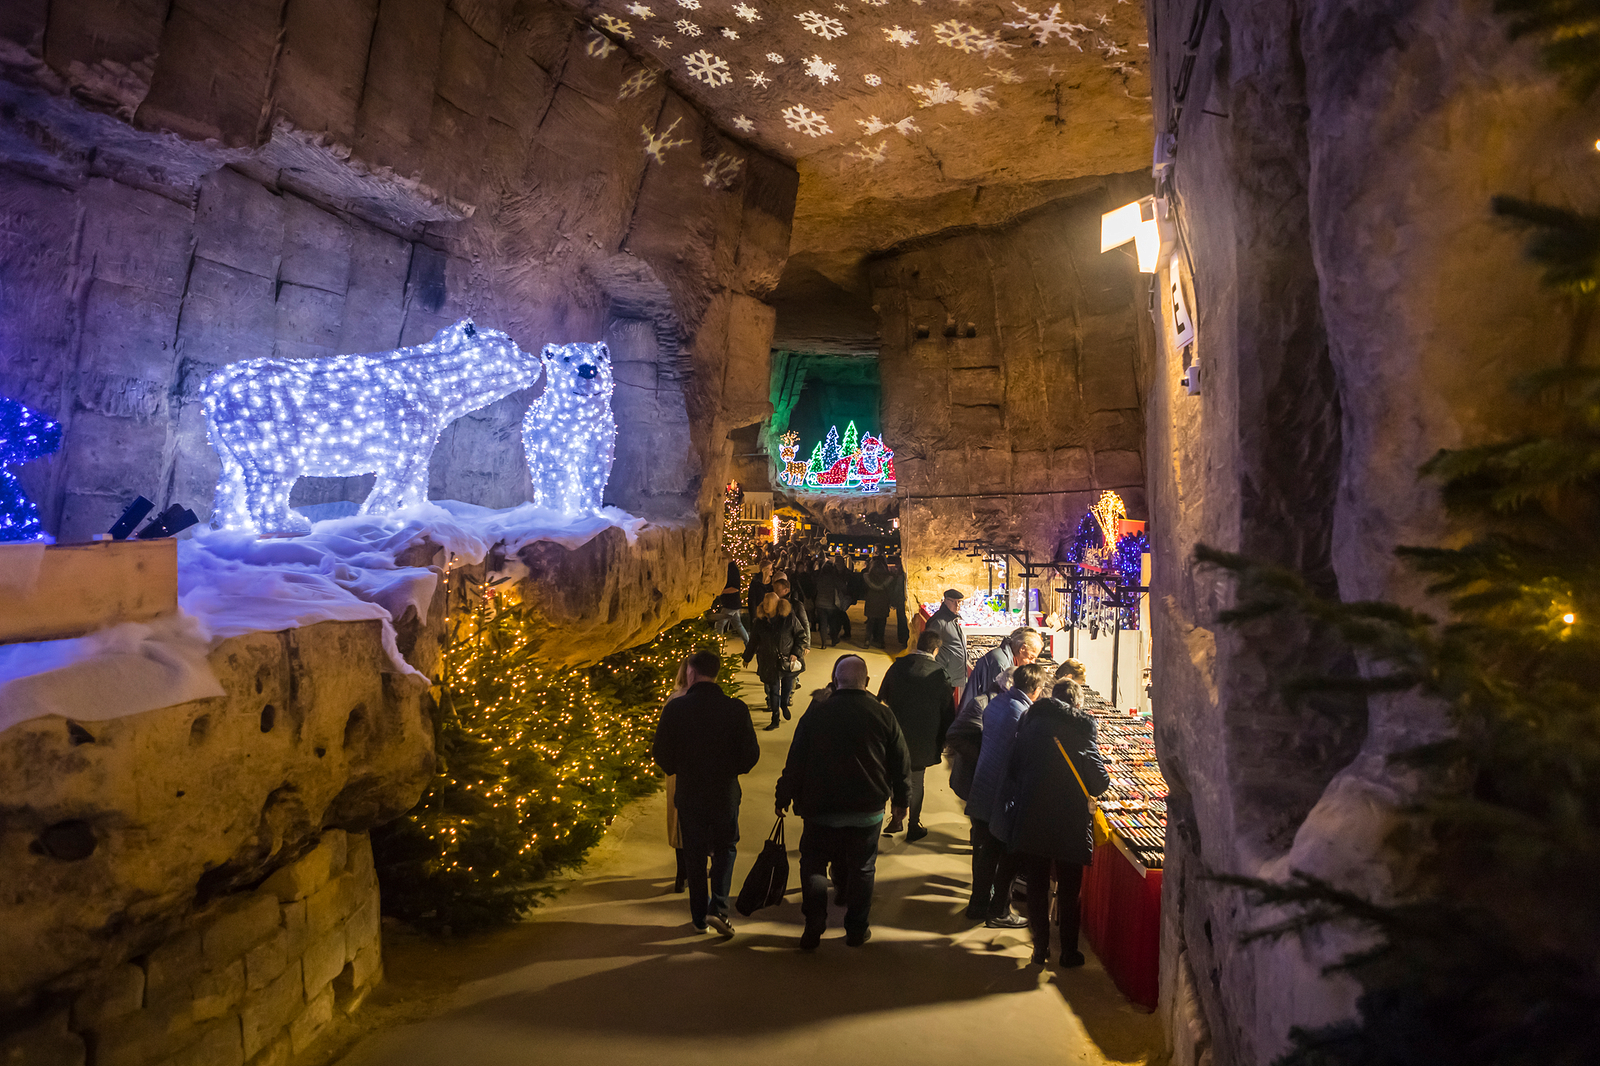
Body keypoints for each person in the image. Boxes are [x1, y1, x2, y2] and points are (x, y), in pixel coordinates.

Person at [775, 654, 911, 950]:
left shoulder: (817, 712)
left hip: (820, 807)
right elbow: (901, 761)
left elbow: (796, 759)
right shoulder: (883, 714)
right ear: (868, 682)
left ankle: (814, 923)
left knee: (813, 865)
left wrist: (783, 795)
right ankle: (856, 929)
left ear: (835, 681)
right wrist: (902, 801)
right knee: (863, 868)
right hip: (867, 808)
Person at [991, 678, 1110, 966]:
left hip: (1032, 817)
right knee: (1069, 889)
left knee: (1036, 885)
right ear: (1078, 704)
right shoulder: (1082, 731)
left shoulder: (1029, 725)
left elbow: (1013, 769)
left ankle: (1040, 949)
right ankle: (1069, 952)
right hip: (1069, 822)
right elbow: (1099, 782)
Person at [650, 650, 761, 937]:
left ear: (691, 672)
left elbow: (661, 754)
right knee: (725, 848)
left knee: (694, 854)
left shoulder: (676, 709)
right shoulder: (735, 709)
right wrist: (730, 770)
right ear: (717, 673)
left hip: (689, 792)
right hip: (724, 791)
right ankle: (719, 908)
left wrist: (680, 768)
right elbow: (750, 754)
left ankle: (699, 916)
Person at [963, 661, 1051, 926]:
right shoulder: (1023, 713)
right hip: (1000, 796)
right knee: (1006, 856)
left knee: (984, 854)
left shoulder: (998, 703)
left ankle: (978, 905)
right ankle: (999, 910)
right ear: (1036, 688)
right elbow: (1025, 758)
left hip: (982, 788)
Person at [875, 629, 955, 841]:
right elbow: (948, 711)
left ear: (917, 644)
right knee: (916, 781)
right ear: (936, 649)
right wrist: (945, 738)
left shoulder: (897, 666)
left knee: (894, 775)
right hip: (924, 737)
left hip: (896, 732)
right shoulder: (940, 674)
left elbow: (881, 697)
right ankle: (913, 825)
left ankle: (896, 815)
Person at [945, 665, 1014, 801]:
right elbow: (953, 735)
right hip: (972, 777)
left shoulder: (1002, 704)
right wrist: (982, 756)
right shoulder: (981, 704)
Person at [745, 591, 809, 730]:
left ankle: (784, 704)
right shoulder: (760, 622)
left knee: (786, 687)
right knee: (773, 690)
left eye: (770, 602)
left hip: (786, 660)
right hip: (769, 661)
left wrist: (795, 653)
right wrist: (747, 657)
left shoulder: (789, 618)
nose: (766, 605)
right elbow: (754, 641)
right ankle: (775, 718)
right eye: (765, 602)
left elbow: (801, 636)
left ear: (777, 603)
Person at [662, 659, 692, 893]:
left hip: (677, 772)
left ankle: (682, 872)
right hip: (696, 772)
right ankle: (692, 870)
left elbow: (662, 743)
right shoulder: (711, 702)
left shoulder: (673, 701)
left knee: (679, 821)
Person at [962, 626, 1043, 708]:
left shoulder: (1003, 657)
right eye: (1031, 657)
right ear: (1022, 648)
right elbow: (1000, 702)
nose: (1033, 662)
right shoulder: (1001, 665)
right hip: (977, 714)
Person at [924, 589, 970, 703]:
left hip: (951, 676)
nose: (958, 605)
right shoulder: (939, 622)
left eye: (959, 602)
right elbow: (928, 646)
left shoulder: (952, 619)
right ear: (946, 601)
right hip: (944, 676)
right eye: (955, 602)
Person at [710, 559, 751, 646]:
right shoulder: (729, 569)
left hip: (730, 604)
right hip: (733, 603)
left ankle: (717, 645)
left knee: (719, 624)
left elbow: (735, 588)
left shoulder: (732, 570)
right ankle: (748, 643)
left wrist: (720, 591)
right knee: (738, 624)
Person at [812, 557, 845, 648]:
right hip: (831, 604)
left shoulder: (819, 578)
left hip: (819, 604)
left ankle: (823, 643)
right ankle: (834, 640)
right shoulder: (833, 578)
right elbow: (842, 586)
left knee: (823, 624)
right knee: (832, 623)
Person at [862, 559, 894, 650]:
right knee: (881, 623)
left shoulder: (867, 577)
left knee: (870, 622)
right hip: (883, 602)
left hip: (871, 601)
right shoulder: (888, 579)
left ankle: (867, 640)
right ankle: (880, 641)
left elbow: (864, 590)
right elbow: (890, 591)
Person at [887, 558, 910, 647]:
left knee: (902, 620)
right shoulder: (902, 576)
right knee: (902, 620)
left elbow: (897, 590)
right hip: (902, 601)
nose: (896, 568)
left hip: (901, 601)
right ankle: (903, 639)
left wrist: (894, 600)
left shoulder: (900, 577)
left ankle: (903, 639)